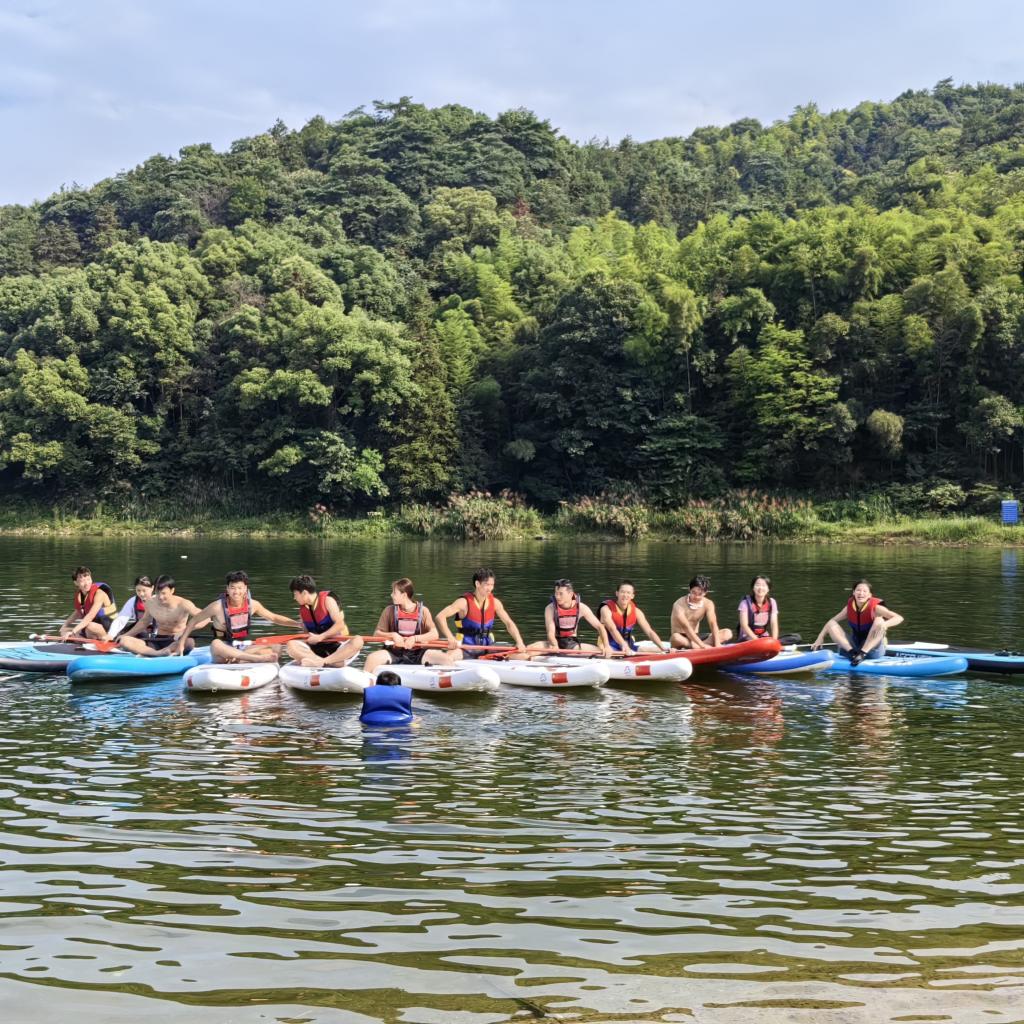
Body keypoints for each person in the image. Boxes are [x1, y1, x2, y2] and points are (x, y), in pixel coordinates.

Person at [173, 570, 301, 664]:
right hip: (223, 650)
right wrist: (182, 643)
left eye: (240, 588)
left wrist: (298, 624)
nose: (236, 592)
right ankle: (254, 659)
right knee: (215, 644)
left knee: (277, 647)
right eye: (232, 588)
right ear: (227, 589)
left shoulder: (253, 605)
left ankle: (240, 658)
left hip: (241, 646)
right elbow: (194, 621)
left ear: (245, 589)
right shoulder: (217, 607)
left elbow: (273, 618)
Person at [435, 568, 528, 663]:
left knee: (523, 656)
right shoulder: (463, 603)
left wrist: (519, 642)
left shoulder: (495, 603)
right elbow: (440, 617)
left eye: (492, 585)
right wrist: (450, 637)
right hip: (466, 648)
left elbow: (509, 623)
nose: (490, 588)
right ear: (477, 584)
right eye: (487, 585)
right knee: (448, 658)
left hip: (488, 648)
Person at [812, 578, 904, 665]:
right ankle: (852, 654)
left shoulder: (876, 608)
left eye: (864, 591)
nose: (861, 593)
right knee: (832, 623)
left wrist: (885, 624)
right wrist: (820, 637)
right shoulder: (849, 608)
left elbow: (899, 618)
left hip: (872, 651)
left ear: (870, 595)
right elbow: (831, 622)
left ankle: (862, 654)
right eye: (858, 590)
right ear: (854, 592)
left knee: (879, 620)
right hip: (854, 648)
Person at [363, 578, 446, 673]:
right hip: (393, 653)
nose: (391, 595)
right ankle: (366, 680)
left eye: (394, 593)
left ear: (404, 595)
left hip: (418, 653)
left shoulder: (423, 611)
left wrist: (415, 638)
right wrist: (393, 635)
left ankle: (445, 679)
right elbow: (376, 634)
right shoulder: (388, 611)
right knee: (371, 658)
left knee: (445, 659)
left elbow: (434, 634)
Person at [284, 575, 365, 668]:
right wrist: (303, 643)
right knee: (291, 645)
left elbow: (340, 625)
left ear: (304, 593)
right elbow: (307, 635)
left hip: (337, 647)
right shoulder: (303, 610)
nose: (294, 598)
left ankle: (323, 662)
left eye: (295, 594)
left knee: (358, 641)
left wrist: (320, 637)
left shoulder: (328, 600)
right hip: (316, 650)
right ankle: (324, 661)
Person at [118, 575, 204, 656]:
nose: (160, 597)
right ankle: (157, 653)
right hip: (158, 640)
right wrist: (126, 634)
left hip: (177, 640)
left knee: (189, 642)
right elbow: (144, 622)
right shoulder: (150, 603)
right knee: (124, 641)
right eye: (157, 593)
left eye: (163, 593)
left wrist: (184, 632)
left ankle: (166, 650)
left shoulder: (184, 604)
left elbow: (205, 618)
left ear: (172, 590)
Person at [530, 579, 612, 657]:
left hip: (571, 644)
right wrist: (555, 645)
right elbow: (550, 633)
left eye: (561, 594)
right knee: (528, 651)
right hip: (554, 642)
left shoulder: (582, 608)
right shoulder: (550, 608)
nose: (557, 597)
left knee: (601, 653)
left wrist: (606, 646)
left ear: (570, 594)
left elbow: (600, 627)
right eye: (556, 593)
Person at [599, 580, 667, 652]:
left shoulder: (637, 612)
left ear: (632, 596)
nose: (625, 595)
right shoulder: (606, 609)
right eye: (622, 592)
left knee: (655, 650)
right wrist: (624, 646)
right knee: (610, 654)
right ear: (617, 593)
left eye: (628, 593)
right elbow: (612, 629)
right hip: (608, 646)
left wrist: (662, 647)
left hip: (628, 646)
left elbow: (649, 632)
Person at [670, 574, 732, 649]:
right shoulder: (678, 604)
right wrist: (703, 646)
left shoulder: (708, 604)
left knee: (727, 633)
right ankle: (699, 646)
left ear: (705, 593)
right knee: (675, 638)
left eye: (700, 594)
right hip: (682, 637)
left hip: (696, 637)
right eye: (693, 592)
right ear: (689, 589)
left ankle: (695, 647)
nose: (696, 597)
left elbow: (713, 623)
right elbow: (686, 627)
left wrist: (717, 644)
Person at [60, 567, 117, 640]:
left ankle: (104, 640)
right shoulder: (81, 595)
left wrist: (73, 631)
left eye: (88, 579)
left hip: (109, 630)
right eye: (83, 581)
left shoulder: (100, 593)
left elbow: (91, 615)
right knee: (64, 630)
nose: (87, 583)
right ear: (76, 583)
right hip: (92, 628)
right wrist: (65, 625)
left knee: (89, 627)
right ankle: (81, 640)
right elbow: (78, 613)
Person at [108, 575, 155, 640]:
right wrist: (110, 635)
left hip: (155, 634)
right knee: (118, 637)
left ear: (152, 588)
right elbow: (121, 620)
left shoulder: (158, 601)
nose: (141, 594)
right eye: (138, 590)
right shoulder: (133, 601)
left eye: (144, 590)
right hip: (139, 631)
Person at [737, 575, 780, 642]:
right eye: (757, 585)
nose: (760, 588)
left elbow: (774, 623)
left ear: (768, 589)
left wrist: (774, 641)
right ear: (753, 588)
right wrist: (757, 640)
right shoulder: (745, 603)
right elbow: (744, 625)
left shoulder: (772, 602)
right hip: (747, 638)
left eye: (764, 585)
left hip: (763, 637)